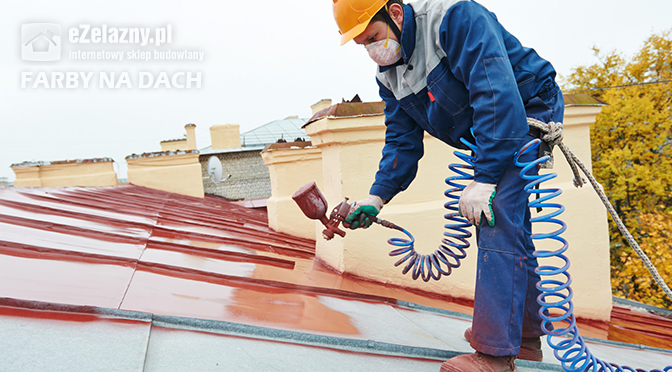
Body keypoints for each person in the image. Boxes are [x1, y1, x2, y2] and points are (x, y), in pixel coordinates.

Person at [332, 0, 565, 371]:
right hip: (490, 128)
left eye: (373, 37)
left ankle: (494, 356)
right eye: (363, 45)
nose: (373, 51)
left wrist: (485, 177)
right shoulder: (389, 74)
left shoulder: (454, 18)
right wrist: (376, 197)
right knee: (509, 221)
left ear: (394, 12)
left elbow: (495, 93)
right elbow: (401, 143)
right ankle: (524, 338)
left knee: (495, 213)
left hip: (525, 107)